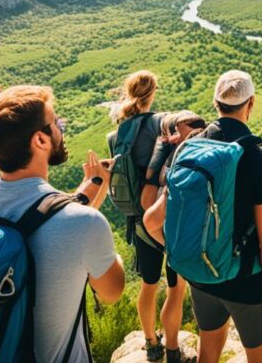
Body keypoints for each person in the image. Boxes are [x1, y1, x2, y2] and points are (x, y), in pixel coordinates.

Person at [0, 85, 125, 362]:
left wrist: (86, 195)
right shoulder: (86, 225)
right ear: (40, 140)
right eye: (56, 123)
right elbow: (112, 291)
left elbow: (50, 221)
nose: (61, 129)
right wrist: (107, 250)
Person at [148, 71, 262, 363]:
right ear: (250, 104)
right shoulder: (258, 157)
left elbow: (152, 220)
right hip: (247, 281)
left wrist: (189, 253)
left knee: (208, 353)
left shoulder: (189, 148)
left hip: (202, 276)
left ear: (216, 104)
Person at [105, 70, 172, 362]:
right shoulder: (159, 122)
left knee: (148, 282)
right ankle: (172, 346)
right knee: (175, 285)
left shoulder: (114, 135)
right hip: (164, 214)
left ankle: (150, 342)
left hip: (136, 219)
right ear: (152, 92)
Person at [139, 110, 207, 363]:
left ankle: (156, 344)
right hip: (174, 235)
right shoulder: (178, 161)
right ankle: (173, 350)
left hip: (157, 234)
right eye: (194, 127)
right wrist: (170, 245)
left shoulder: (162, 158)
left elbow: (147, 205)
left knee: (160, 287)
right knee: (175, 291)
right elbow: (150, 210)